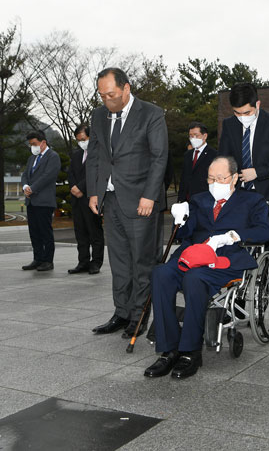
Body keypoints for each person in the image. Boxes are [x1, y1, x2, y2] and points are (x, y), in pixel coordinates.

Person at [144, 156, 269, 379]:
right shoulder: (199, 200)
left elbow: (264, 231)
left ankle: (190, 351)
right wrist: (180, 220)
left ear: (233, 179)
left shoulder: (252, 201)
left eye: (220, 178)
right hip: (193, 255)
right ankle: (169, 349)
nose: (214, 183)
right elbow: (184, 234)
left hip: (227, 259)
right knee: (160, 274)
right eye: (211, 178)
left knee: (195, 278)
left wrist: (233, 236)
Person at [87, 67, 168, 339]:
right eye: (102, 95)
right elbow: (96, 155)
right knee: (119, 262)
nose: (106, 100)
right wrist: (94, 192)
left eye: (111, 94)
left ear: (126, 88)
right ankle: (121, 313)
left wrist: (150, 195)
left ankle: (139, 315)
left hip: (140, 201)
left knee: (142, 263)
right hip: (110, 200)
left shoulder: (151, 114)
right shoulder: (99, 115)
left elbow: (159, 157)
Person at [218, 82, 269, 255]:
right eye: (237, 113)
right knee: (236, 249)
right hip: (238, 198)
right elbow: (223, 159)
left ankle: (268, 281)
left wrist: (258, 172)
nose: (242, 117)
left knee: (268, 251)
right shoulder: (230, 125)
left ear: (257, 104)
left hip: (268, 197)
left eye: (247, 112)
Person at [20, 130, 61, 272]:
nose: (32, 147)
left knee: (45, 232)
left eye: (34, 144)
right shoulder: (32, 158)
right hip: (31, 201)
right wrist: (25, 186)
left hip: (44, 201)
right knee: (34, 232)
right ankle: (37, 258)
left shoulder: (53, 156)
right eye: (30, 144)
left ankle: (48, 261)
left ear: (43, 142)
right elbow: (25, 174)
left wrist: (32, 188)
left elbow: (48, 176)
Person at [67, 123, 104, 275]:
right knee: (80, 233)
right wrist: (73, 187)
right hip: (76, 200)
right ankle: (83, 262)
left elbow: (96, 173)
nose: (81, 142)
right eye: (78, 140)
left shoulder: (99, 153)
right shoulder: (76, 155)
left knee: (94, 232)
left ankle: (96, 262)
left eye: (83, 139)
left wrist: (80, 188)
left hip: (91, 198)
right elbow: (70, 173)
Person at [177, 122, 217, 202]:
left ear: (204, 136)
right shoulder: (187, 155)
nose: (193, 138)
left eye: (196, 135)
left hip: (205, 200)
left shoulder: (214, 155)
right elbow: (183, 179)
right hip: (187, 200)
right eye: (191, 136)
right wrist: (180, 199)